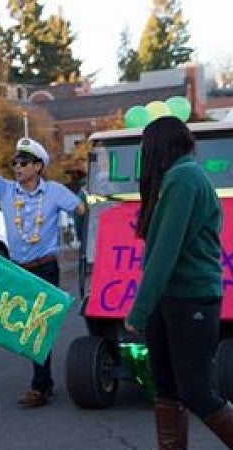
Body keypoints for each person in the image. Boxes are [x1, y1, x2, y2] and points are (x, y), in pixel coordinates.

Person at [0, 106, 85, 408]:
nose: (17, 166)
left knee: (38, 327)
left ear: (38, 166)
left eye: (24, 162)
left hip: (47, 267)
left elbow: (83, 211)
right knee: (27, 327)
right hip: (19, 270)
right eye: (15, 161)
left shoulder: (54, 191)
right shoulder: (5, 190)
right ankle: (44, 382)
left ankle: (40, 386)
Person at [124, 116, 233, 448]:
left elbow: (165, 252)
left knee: (197, 393)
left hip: (192, 299)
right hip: (171, 300)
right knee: (167, 389)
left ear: (158, 146)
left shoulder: (184, 178)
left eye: (145, 148)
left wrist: (139, 310)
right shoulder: (179, 177)